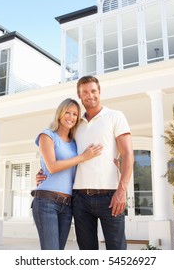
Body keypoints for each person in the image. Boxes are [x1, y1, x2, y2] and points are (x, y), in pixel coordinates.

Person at [37, 76, 134, 250]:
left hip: (110, 196)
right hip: (80, 199)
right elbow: (62, 152)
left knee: (117, 250)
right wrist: (43, 171)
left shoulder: (115, 116)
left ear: (99, 92)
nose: (90, 95)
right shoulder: (75, 125)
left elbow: (127, 154)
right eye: (85, 92)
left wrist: (122, 190)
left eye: (93, 91)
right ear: (79, 95)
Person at [31, 98, 103, 250]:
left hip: (67, 205)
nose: (71, 117)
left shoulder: (74, 143)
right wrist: (83, 156)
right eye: (67, 113)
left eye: (75, 114)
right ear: (59, 114)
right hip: (46, 202)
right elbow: (52, 167)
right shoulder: (47, 135)